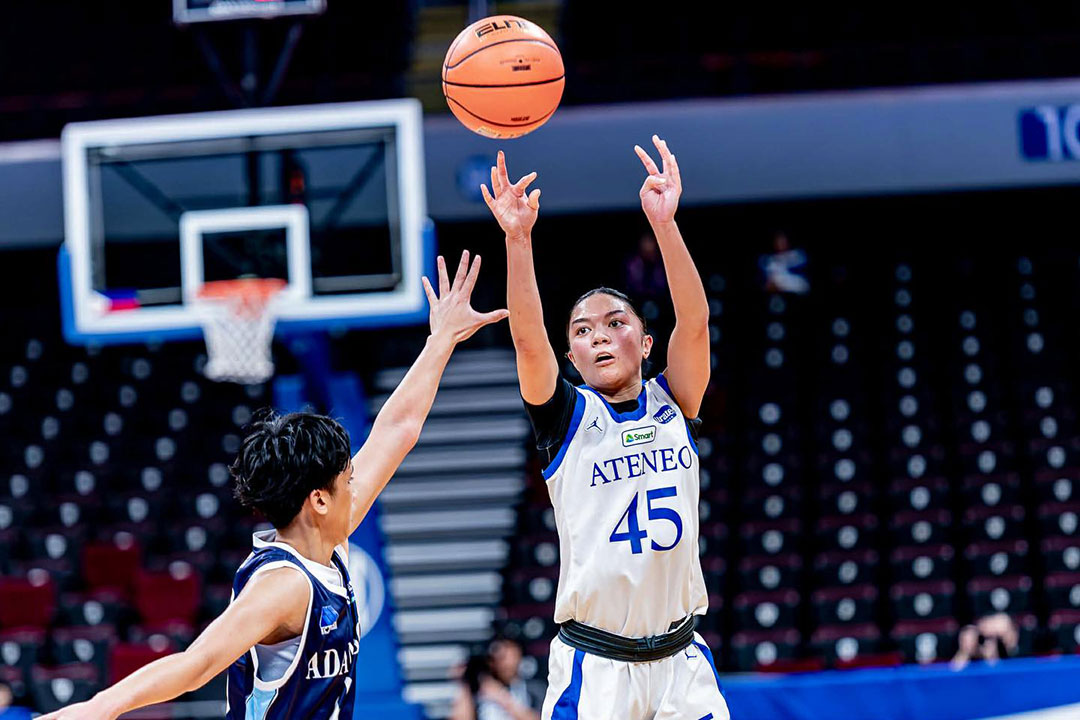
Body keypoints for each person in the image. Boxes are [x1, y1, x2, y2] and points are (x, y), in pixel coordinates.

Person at [40, 251, 508, 720]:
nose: (358, 483)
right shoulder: (284, 586)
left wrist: (441, 339)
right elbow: (195, 664)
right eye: (348, 479)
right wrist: (96, 709)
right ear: (319, 500)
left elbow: (397, 430)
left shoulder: (329, 544)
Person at [480, 137, 729, 720]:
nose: (597, 335)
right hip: (597, 669)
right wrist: (518, 241)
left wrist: (665, 225)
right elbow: (526, 338)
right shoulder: (566, 416)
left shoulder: (675, 400)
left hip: (680, 661)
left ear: (644, 344)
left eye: (614, 323)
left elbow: (694, 321)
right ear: (571, 358)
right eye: (583, 330)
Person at [450, 634, 541, 720]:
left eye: (508, 657)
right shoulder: (478, 687)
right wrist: (465, 683)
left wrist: (502, 697)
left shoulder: (532, 689)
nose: (505, 664)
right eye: (499, 657)